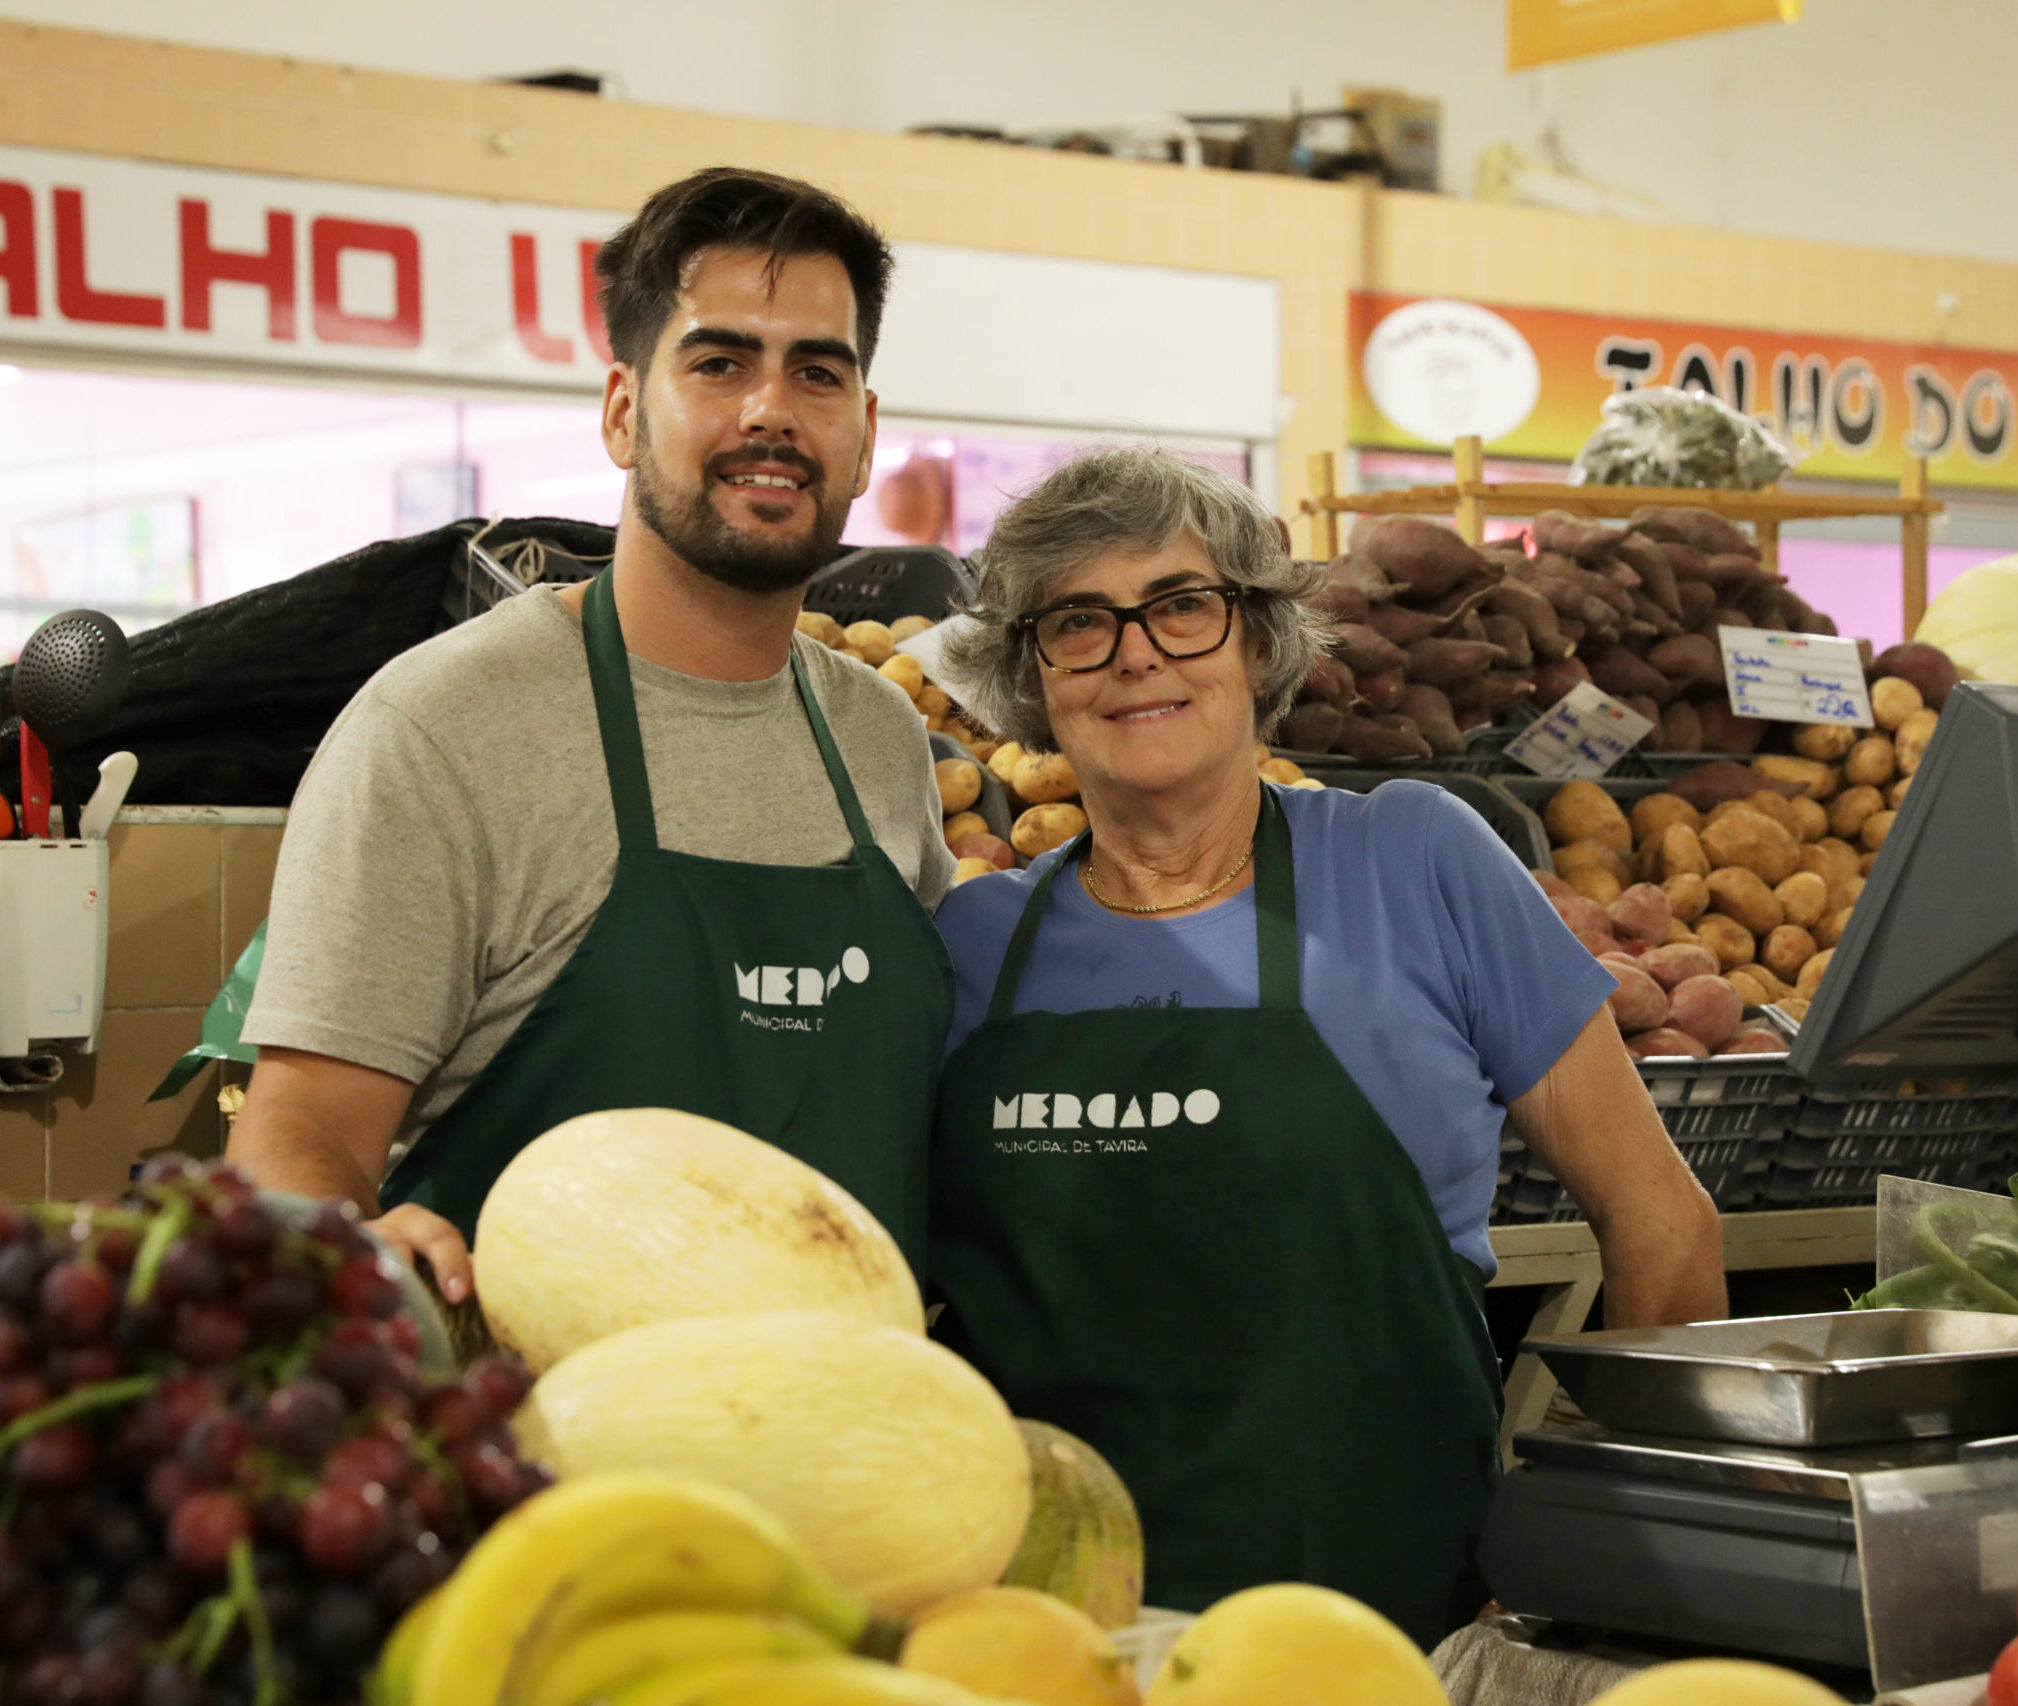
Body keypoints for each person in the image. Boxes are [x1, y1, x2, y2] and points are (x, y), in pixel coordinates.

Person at [928, 447, 1725, 1648]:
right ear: (1032, 679)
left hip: (1392, 1633)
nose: (1134, 652)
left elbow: (1662, 1221)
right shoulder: (970, 945)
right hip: (1050, 1644)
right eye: (1078, 622)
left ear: (1255, 642)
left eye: (1182, 606)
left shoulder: (1413, 859)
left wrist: (1588, 1548)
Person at [228, 168, 954, 1302]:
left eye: (817, 371)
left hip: (848, 1457)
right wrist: (350, 1243)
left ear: (862, 437)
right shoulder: (441, 727)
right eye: (719, 363)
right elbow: (296, 1134)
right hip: (544, 1461)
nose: (771, 408)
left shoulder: (881, 738)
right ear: (623, 411)